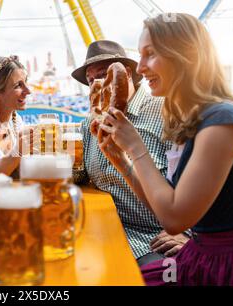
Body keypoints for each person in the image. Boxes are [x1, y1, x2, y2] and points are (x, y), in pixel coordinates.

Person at [93, 13, 233, 286]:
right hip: (202, 254)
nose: (139, 68)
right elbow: (163, 204)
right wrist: (122, 161)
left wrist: (136, 147)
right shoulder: (190, 119)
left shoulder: (222, 121)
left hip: (229, 265)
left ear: (186, 55)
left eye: (150, 55)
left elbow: (174, 219)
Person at [72, 40, 189, 266]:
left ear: (125, 73)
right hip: (104, 230)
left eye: (103, 75)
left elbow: (201, 183)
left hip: (155, 239)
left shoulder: (169, 113)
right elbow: (81, 175)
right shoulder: (90, 125)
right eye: (90, 80)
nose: (96, 84)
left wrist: (190, 234)